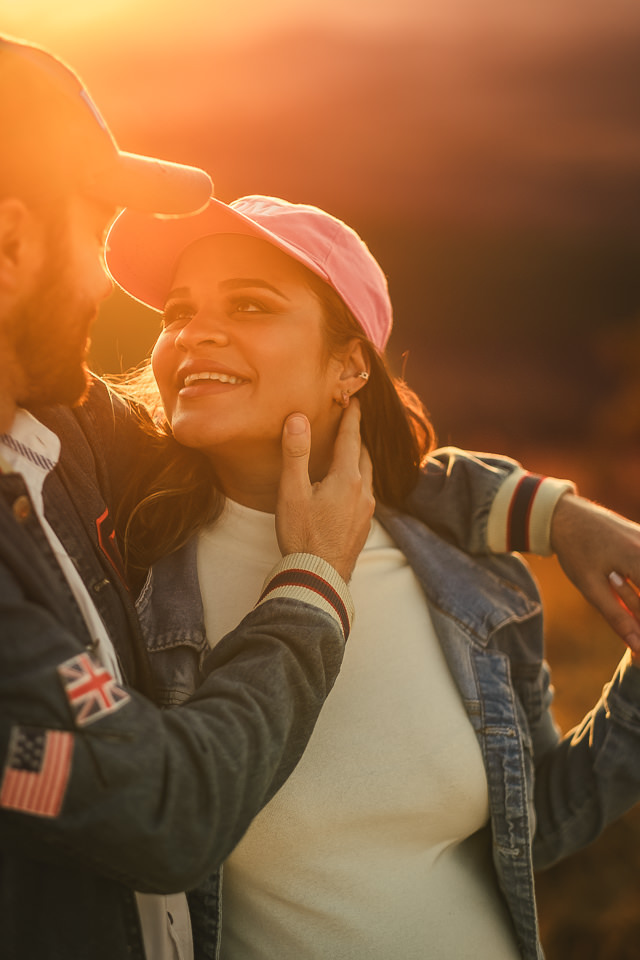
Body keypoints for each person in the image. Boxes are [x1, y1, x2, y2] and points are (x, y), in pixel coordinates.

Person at [105, 194, 640, 960]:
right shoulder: (123, 576)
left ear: (349, 366)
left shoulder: (462, 573)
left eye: (251, 305)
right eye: (176, 313)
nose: (195, 334)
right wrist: (553, 510)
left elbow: (535, 825)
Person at [0, 36, 377, 960]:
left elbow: (261, 438)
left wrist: (546, 509)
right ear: (10, 246)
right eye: (95, 236)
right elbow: (164, 812)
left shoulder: (61, 428)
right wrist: (313, 586)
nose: (105, 282)